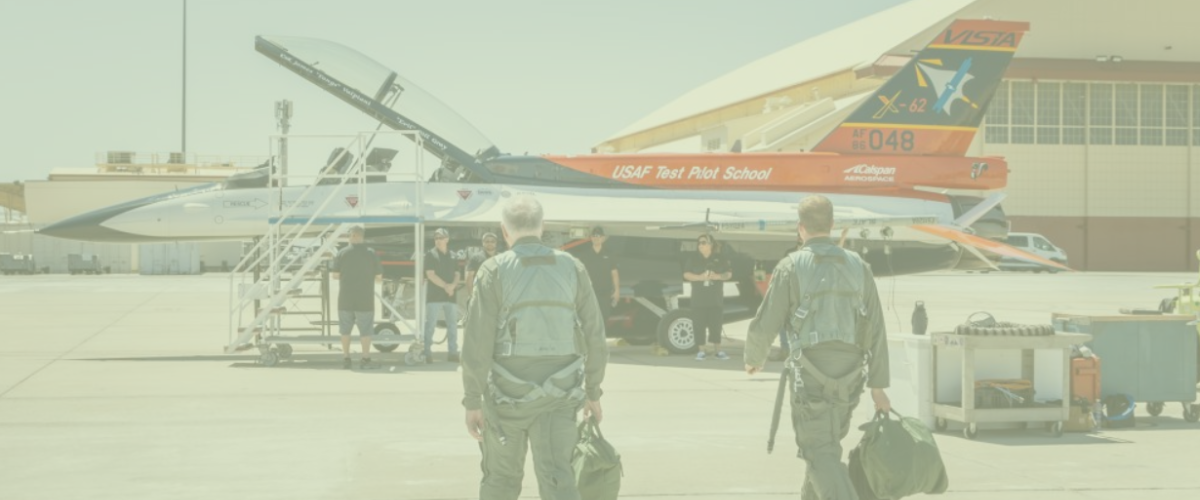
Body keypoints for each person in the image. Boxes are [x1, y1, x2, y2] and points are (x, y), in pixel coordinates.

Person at [461, 194, 608, 500]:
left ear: (504, 230)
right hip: (562, 397)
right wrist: (593, 392)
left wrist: (473, 400)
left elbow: (477, 343)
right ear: (543, 227)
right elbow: (595, 334)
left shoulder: (493, 270)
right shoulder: (573, 266)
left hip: (506, 399)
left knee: (500, 481)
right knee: (560, 480)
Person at [745, 195, 891, 500]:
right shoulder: (859, 266)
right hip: (852, 375)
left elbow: (768, 318)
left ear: (800, 228)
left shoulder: (791, 266)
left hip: (811, 375)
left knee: (818, 452)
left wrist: (754, 357)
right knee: (825, 447)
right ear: (832, 225)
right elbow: (876, 328)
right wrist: (878, 386)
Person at [330, 225, 382, 369]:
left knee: (345, 330)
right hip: (365, 299)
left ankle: (346, 359)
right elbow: (378, 277)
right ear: (362, 236)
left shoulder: (341, 253)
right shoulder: (371, 253)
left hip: (345, 299)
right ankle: (365, 359)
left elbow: (335, 275)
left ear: (352, 236)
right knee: (365, 330)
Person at [684, 234, 732, 360]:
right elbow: (686, 274)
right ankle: (701, 351)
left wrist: (717, 276)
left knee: (716, 325)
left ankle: (718, 350)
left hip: (715, 299)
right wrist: (700, 277)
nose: (700, 245)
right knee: (698, 325)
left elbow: (729, 273)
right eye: (699, 242)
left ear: (711, 244)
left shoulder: (720, 258)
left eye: (704, 242)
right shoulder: (693, 258)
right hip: (698, 299)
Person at [424, 227, 461, 363]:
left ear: (447, 239)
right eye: (436, 238)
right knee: (430, 325)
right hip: (434, 297)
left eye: (441, 238)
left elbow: (457, 274)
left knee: (452, 325)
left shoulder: (453, 255)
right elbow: (430, 275)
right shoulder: (430, 255)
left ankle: (452, 353)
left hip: (451, 296)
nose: (438, 240)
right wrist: (447, 286)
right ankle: (426, 353)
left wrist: (453, 286)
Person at [576, 226, 620, 320]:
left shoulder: (609, 255)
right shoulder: (584, 255)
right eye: (594, 236)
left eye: (599, 236)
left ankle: (601, 335)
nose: (596, 238)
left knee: (603, 318)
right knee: (588, 317)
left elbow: (614, 274)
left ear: (603, 238)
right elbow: (579, 274)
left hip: (604, 293)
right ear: (591, 238)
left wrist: (617, 290)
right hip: (589, 293)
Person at [464, 231, 500, 299]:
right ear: (483, 243)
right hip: (480, 295)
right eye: (487, 241)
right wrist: (471, 295)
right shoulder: (475, 258)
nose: (490, 243)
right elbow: (469, 277)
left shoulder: (501, 257)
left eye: (492, 241)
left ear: (496, 243)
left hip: (497, 295)